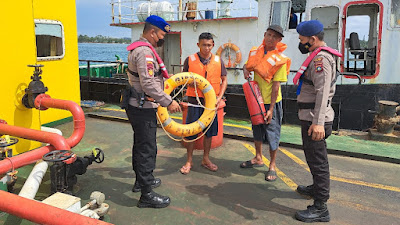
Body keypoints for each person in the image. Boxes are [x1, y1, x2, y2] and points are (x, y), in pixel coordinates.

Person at [125, 15, 181, 208]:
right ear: (151, 32)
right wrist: (168, 101)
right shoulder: (145, 53)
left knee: (140, 145)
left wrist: (166, 78)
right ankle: (146, 194)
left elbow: (149, 77)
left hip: (137, 106)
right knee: (147, 149)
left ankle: (140, 182)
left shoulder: (139, 49)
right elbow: (148, 84)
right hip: (143, 108)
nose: (161, 39)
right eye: (161, 35)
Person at [293, 20, 341, 222]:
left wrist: (318, 123)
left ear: (312, 39)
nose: (300, 43)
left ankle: (321, 208)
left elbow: (322, 93)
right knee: (313, 158)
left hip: (315, 120)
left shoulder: (320, 59)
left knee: (319, 162)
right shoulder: (317, 56)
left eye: (302, 40)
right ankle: (315, 188)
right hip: (311, 117)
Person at [240, 25, 291, 182]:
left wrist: (270, 109)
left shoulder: (279, 61)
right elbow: (247, 65)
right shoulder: (257, 53)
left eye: (274, 37)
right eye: (268, 35)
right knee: (257, 130)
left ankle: (272, 165)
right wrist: (244, 69)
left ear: (279, 40)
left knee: (272, 133)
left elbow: (276, 87)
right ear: (264, 34)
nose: (270, 38)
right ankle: (258, 158)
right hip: (256, 100)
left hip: (271, 103)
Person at [179, 32, 228, 175]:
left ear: (213, 45)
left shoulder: (219, 61)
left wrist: (219, 98)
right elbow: (183, 79)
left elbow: (224, 80)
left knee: (209, 132)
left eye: (209, 45)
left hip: (211, 102)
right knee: (191, 132)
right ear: (198, 45)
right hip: (194, 101)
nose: (206, 48)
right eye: (203, 45)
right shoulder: (190, 60)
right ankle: (189, 161)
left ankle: (205, 159)